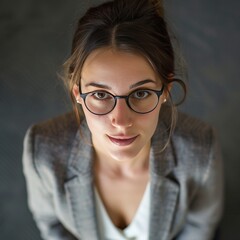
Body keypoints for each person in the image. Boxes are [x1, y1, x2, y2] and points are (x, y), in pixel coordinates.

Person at [22, 0, 224, 239]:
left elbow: (200, 226)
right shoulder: (42, 151)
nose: (120, 120)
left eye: (140, 93)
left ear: (166, 90)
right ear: (77, 92)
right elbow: (51, 225)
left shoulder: (200, 152)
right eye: (100, 94)